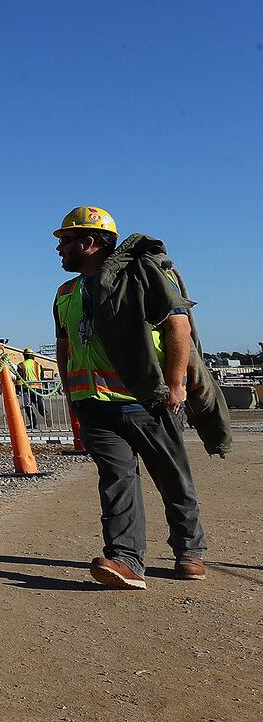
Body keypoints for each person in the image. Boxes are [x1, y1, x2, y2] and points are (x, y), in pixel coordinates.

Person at [52, 205, 230, 590]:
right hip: (94, 405)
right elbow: (64, 345)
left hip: (146, 401)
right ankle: (125, 560)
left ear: (89, 241)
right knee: (116, 480)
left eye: (65, 241)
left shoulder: (142, 276)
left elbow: (177, 327)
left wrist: (177, 384)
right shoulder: (65, 292)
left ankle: (189, 552)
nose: (59, 249)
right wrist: (72, 394)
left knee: (172, 477)